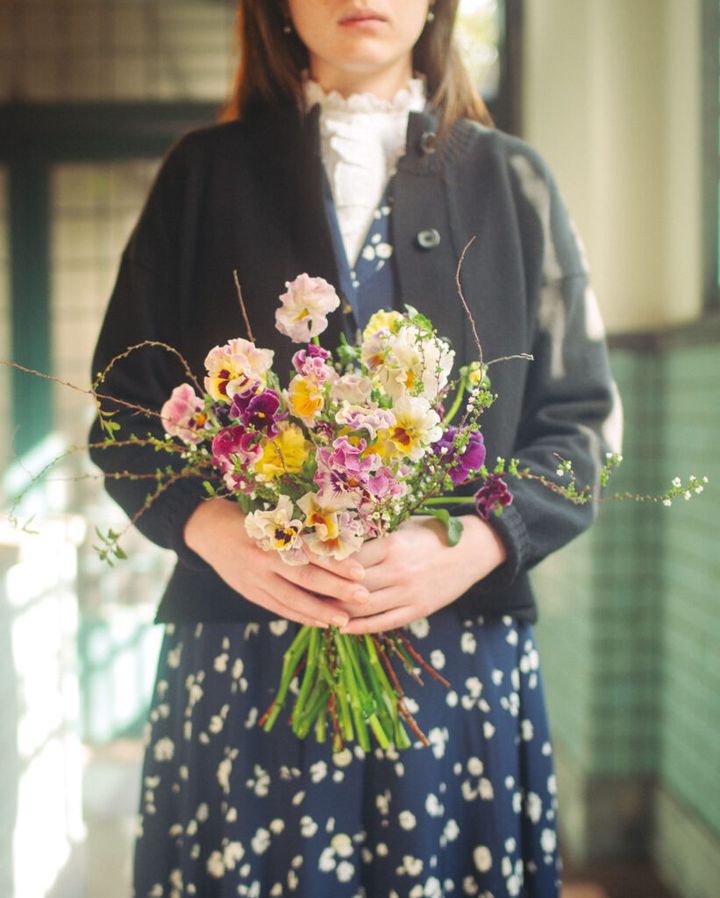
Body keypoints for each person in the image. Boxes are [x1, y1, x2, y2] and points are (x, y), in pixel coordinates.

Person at [89, 1, 621, 896]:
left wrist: (474, 544)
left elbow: (580, 425)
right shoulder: (202, 175)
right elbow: (124, 413)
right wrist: (215, 529)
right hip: (245, 653)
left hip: (459, 661)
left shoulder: (513, 179)